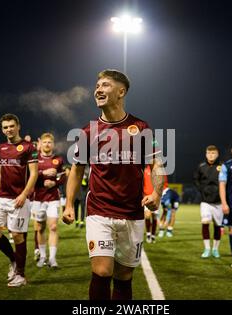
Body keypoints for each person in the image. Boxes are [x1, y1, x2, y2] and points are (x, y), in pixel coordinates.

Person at [62, 69, 165, 300]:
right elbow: (77, 169)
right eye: (97, 85)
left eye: (105, 85)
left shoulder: (140, 127)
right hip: (99, 210)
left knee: (124, 276)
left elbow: (156, 163)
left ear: (121, 92)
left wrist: (157, 193)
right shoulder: (88, 132)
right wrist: (69, 204)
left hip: (132, 212)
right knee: (101, 271)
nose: (98, 89)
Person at [0, 113, 38, 287]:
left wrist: (24, 194)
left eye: (11, 126)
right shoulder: (1, 147)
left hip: (19, 198)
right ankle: (14, 260)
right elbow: (0, 172)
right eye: (5, 127)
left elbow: (34, 173)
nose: (8, 129)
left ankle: (21, 276)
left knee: (17, 235)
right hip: (2, 197)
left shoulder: (28, 147)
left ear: (18, 126)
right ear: (2, 130)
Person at [31, 133, 65, 268]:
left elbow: (62, 177)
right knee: (39, 228)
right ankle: (43, 256)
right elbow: (29, 175)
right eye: (44, 142)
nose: (47, 144)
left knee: (54, 227)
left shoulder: (58, 160)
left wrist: (55, 183)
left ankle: (52, 259)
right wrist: (42, 174)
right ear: (41, 144)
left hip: (53, 198)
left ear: (53, 144)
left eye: (49, 142)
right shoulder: (34, 158)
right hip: (38, 198)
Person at [193, 145, 223, 258]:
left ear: (217, 154)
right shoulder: (201, 166)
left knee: (217, 226)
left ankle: (215, 249)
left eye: (213, 153)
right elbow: (195, 179)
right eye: (209, 153)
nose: (211, 155)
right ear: (206, 154)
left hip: (218, 202)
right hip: (205, 201)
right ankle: (207, 248)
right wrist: (202, 189)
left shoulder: (222, 166)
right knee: (205, 222)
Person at [144, 164, 167, 243]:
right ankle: (148, 234)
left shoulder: (159, 170)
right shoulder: (145, 170)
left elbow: (163, 184)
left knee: (154, 217)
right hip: (147, 196)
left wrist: (161, 195)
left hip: (156, 197)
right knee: (147, 215)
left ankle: (153, 235)